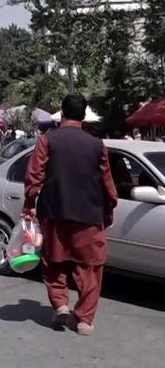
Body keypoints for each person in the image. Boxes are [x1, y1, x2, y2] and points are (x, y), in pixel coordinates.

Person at [23, 94, 118, 336]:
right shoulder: (97, 145)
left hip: (55, 213)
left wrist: (29, 203)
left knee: (53, 262)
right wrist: (109, 209)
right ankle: (84, 319)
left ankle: (60, 304)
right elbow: (107, 183)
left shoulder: (48, 139)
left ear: (62, 113)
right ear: (84, 116)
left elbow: (34, 176)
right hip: (89, 215)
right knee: (90, 268)